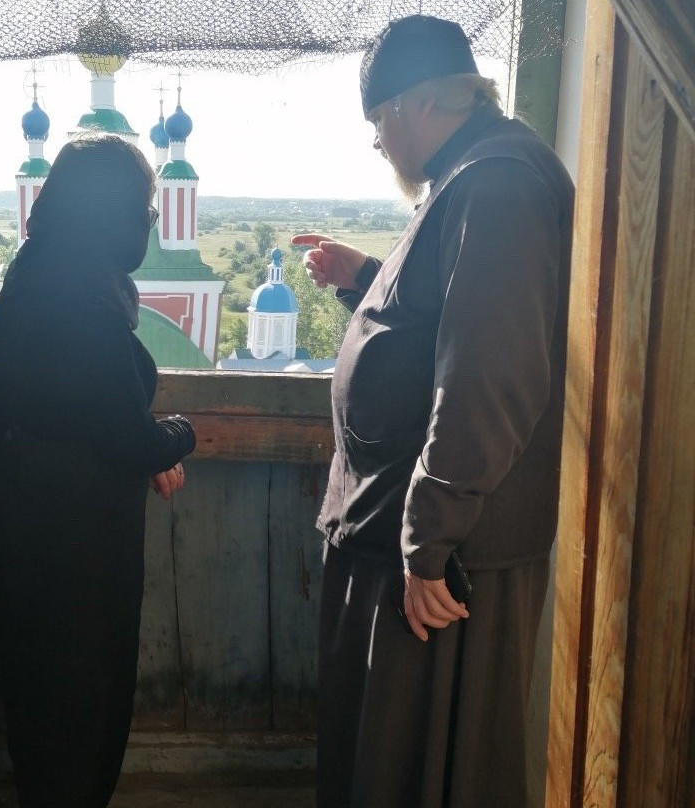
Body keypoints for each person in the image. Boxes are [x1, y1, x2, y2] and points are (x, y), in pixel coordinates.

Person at [292, 15, 574, 808]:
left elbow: (491, 373)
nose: (380, 145)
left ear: (416, 104)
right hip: (413, 545)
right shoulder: (474, 176)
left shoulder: (499, 182)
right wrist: (366, 280)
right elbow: (450, 318)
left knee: (423, 775)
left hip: (443, 568)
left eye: (379, 123)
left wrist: (427, 540)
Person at [0, 134, 197, 808]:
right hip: (77, 549)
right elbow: (121, 431)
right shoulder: (80, 300)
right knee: (81, 701)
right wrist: (179, 436)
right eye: (144, 209)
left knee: (46, 700)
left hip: (36, 527)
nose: (150, 224)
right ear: (111, 213)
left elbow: (84, 412)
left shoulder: (40, 271)